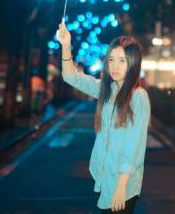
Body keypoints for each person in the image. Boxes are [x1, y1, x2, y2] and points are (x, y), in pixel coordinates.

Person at [56, 22, 150, 213]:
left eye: (122, 60)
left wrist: (121, 187)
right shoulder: (107, 90)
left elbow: (135, 146)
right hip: (107, 178)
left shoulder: (138, 97)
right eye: (111, 60)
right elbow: (71, 77)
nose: (115, 66)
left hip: (123, 184)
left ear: (133, 63)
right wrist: (66, 45)